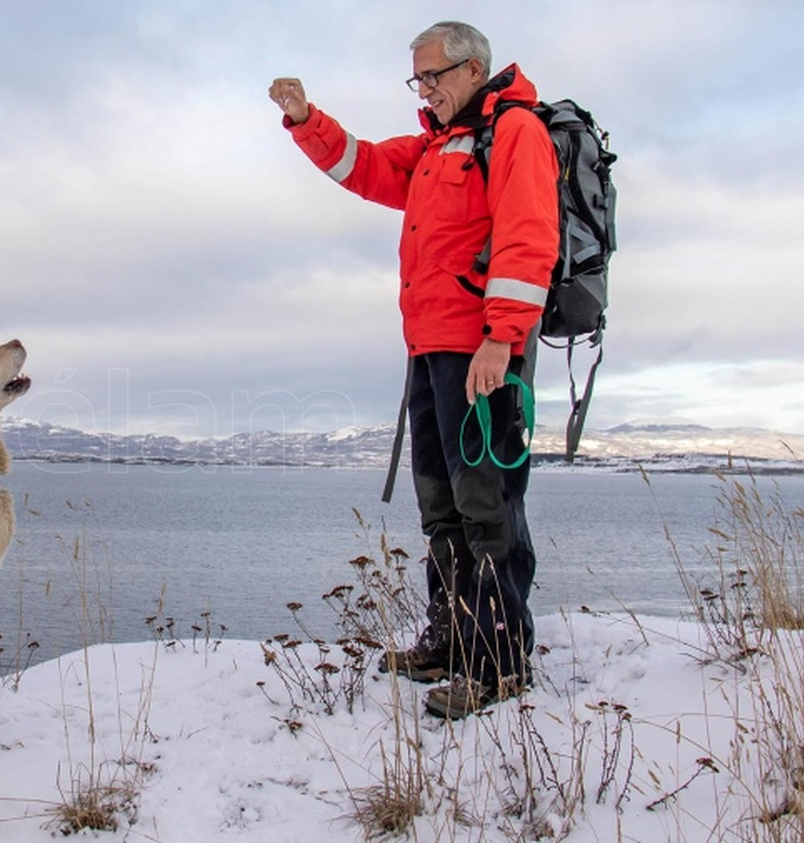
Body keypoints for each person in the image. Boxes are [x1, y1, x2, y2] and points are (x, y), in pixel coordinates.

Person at [270, 21, 556, 718]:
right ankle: (450, 639)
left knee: (487, 506)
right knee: (442, 505)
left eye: (431, 76)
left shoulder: (513, 132)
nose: (422, 90)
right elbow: (363, 166)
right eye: (417, 78)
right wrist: (306, 120)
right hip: (431, 351)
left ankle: (498, 662)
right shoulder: (435, 148)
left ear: (472, 69)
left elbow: (528, 236)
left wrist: (501, 340)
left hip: (482, 354)